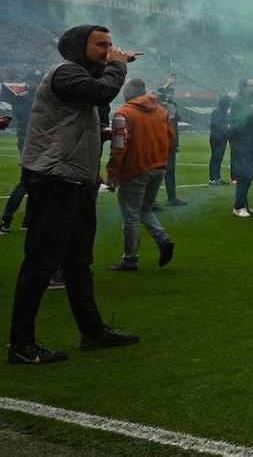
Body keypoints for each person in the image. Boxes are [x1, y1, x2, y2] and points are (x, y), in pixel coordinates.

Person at [8, 25, 140, 365]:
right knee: (41, 262)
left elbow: (79, 116)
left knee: (79, 261)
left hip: (78, 180)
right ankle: (21, 344)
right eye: (101, 44)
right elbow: (101, 92)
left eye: (111, 44)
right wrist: (118, 65)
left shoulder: (81, 77)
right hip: (54, 178)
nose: (108, 49)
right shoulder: (66, 72)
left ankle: (92, 331)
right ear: (77, 46)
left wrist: (104, 133)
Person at [104, 79, 176, 272]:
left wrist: (111, 174)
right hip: (159, 168)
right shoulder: (161, 111)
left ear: (127, 93)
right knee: (145, 209)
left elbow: (119, 146)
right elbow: (171, 138)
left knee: (131, 217)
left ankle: (130, 260)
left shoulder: (123, 113)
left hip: (135, 171)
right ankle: (162, 239)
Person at [0, 71, 38, 234]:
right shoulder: (30, 99)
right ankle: (8, 220)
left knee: (32, 182)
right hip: (33, 142)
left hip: (31, 141)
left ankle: (26, 220)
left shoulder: (22, 98)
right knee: (28, 181)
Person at [228, 78, 253, 217]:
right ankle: (238, 207)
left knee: (249, 176)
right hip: (242, 143)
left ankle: (245, 205)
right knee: (244, 175)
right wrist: (251, 110)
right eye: (252, 86)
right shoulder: (238, 101)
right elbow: (236, 122)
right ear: (244, 87)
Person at [155, 76, 185, 207]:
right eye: (168, 93)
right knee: (155, 172)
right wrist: (167, 84)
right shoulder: (157, 105)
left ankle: (172, 197)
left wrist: (176, 143)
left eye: (171, 93)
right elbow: (157, 94)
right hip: (159, 142)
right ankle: (151, 201)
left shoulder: (173, 107)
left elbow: (175, 127)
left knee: (170, 171)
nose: (169, 96)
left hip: (170, 143)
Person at [207, 94, 231, 185]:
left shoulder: (221, 112)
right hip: (218, 137)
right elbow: (215, 124)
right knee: (216, 158)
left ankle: (217, 178)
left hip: (220, 137)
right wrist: (226, 129)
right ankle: (213, 179)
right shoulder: (218, 112)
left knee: (218, 158)